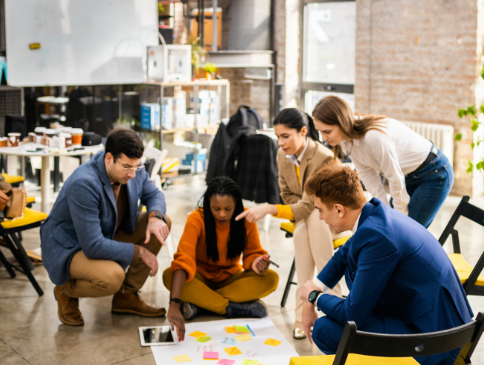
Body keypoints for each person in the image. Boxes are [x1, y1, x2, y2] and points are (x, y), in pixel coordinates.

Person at [300, 165, 473, 365]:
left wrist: (314, 296)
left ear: (338, 209)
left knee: (325, 329)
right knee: (336, 317)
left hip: (437, 344)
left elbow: (352, 314)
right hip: (432, 321)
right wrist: (313, 294)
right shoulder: (374, 214)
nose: (319, 217)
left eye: (320, 210)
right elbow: (343, 255)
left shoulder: (377, 237)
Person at [41, 128, 171, 326]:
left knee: (163, 222)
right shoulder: (84, 183)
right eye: (127, 167)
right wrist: (139, 252)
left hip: (106, 232)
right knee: (112, 277)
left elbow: (155, 195)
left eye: (136, 167)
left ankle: (126, 296)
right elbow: (93, 245)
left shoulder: (134, 167)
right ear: (109, 158)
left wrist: (155, 216)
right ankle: (66, 289)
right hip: (70, 246)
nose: (133, 174)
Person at [236, 108, 343, 340]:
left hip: (333, 219)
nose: (281, 142)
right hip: (308, 221)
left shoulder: (323, 157)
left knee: (313, 217)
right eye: (278, 137)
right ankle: (312, 309)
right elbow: (287, 195)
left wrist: (269, 209)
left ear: (303, 131)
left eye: (286, 136)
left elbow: (309, 205)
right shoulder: (282, 156)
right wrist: (302, 208)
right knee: (303, 228)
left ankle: (322, 312)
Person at [163, 177, 279, 340]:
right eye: (216, 209)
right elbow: (184, 258)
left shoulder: (246, 218)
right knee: (169, 275)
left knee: (271, 278)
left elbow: (253, 252)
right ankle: (228, 308)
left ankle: (202, 304)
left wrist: (256, 263)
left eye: (228, 208)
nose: (222, 214)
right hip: (199, 277)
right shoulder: (197, 218)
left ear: (236, 204)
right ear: (207, 203)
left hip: (230, 278)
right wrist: (173, 304)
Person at [312, 95, 454, 228]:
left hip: (434, 173)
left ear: (342, 122)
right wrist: (384, 211)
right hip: (407, 176)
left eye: (327, 131)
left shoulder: (374, 137)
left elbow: (394, 177)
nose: (323, 138)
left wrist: (397, 219)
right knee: (391, 225)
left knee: (406, 231)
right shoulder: (345, 140)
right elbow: (368, 175)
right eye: (321, 132)